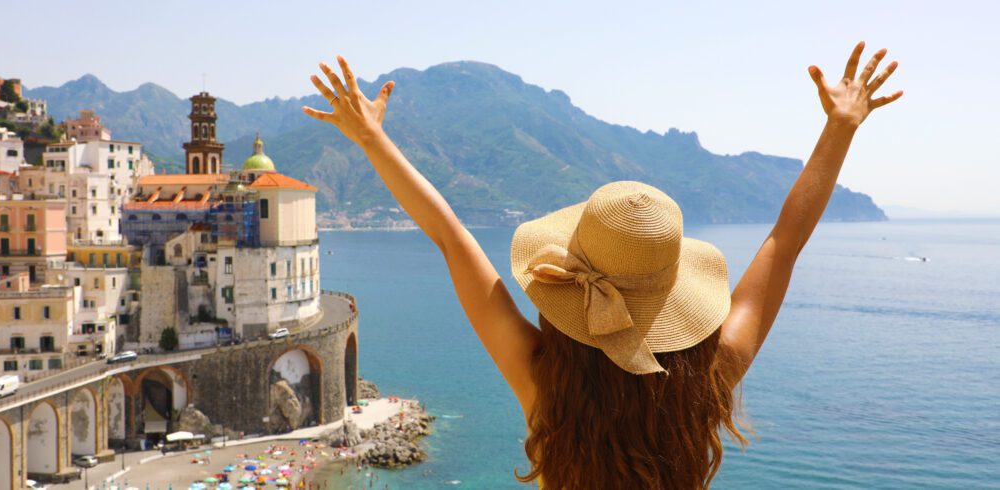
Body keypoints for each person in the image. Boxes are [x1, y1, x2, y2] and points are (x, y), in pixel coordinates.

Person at [303, 42, 901, 489]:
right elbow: (784, 242)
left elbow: (448, 236)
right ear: (677, 295)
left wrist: (374, 140)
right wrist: (840, 127)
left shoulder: (544, 384)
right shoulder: (710, 380)